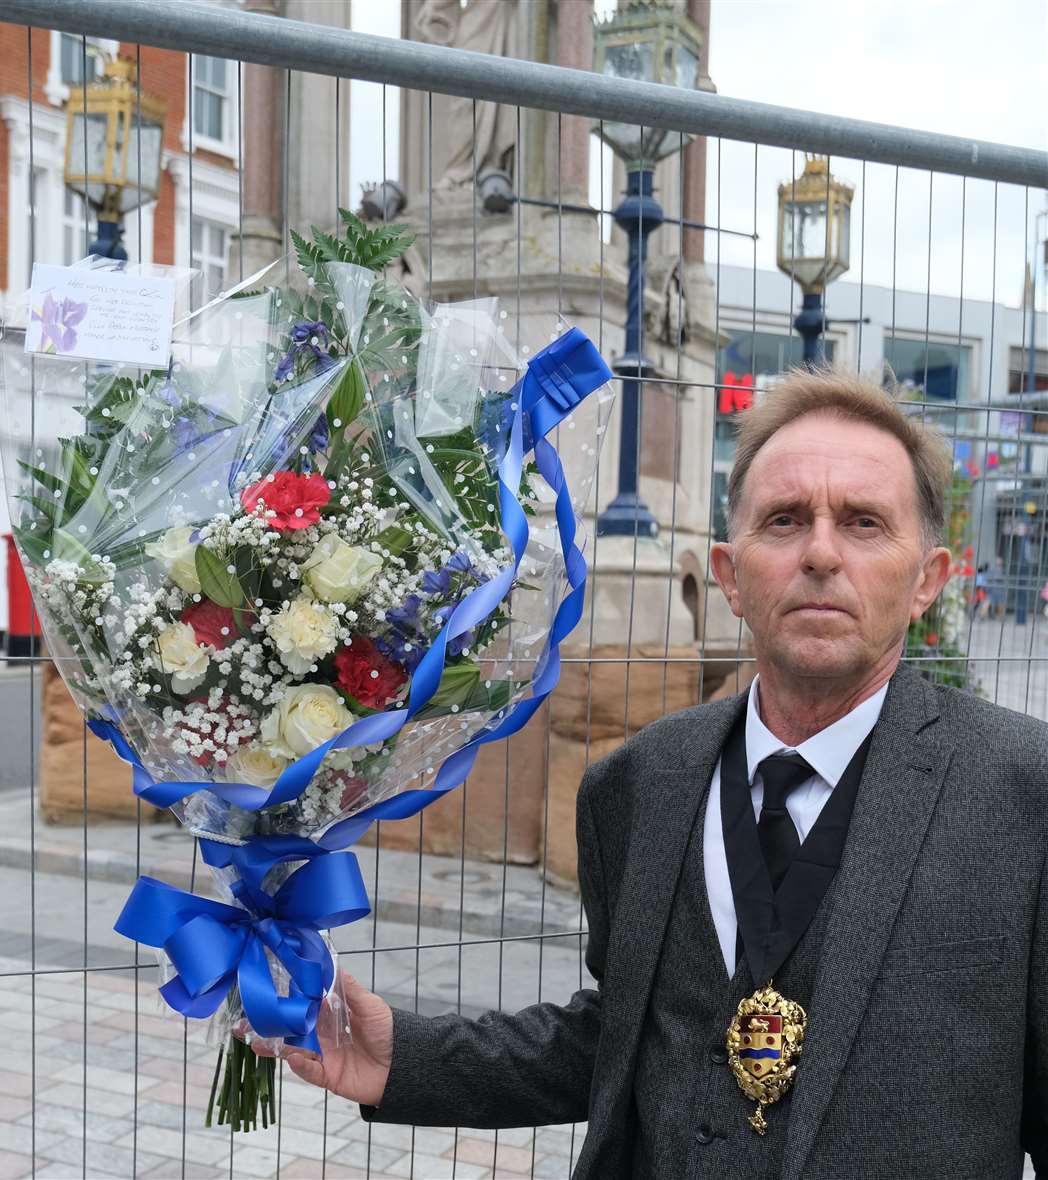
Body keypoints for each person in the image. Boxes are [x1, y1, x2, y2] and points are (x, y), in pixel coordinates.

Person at [262, 368, 1048, 1179]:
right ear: (728, 574)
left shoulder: (1025, 797)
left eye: (863, 522)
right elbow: (628, 1036)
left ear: (928, 578)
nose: (820, 552)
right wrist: (406, 1058)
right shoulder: (637, 785)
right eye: (783, 520)